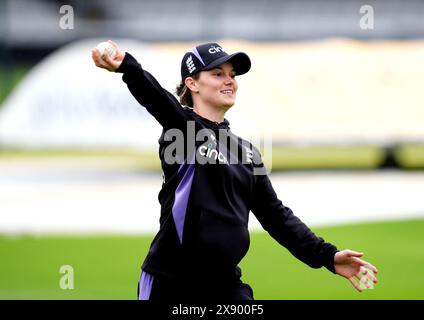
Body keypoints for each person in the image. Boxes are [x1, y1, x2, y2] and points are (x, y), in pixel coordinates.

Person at [91, 40, 378, 300]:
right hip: (172, 282)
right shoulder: (182, 131)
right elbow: (158, 100)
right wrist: (128, 67)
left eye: (232, 75)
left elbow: (276, 216)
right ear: (192, 84)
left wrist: (327, 256)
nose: (230, 81)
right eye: (218, 74)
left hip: (226, 285)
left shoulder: (246, 151)